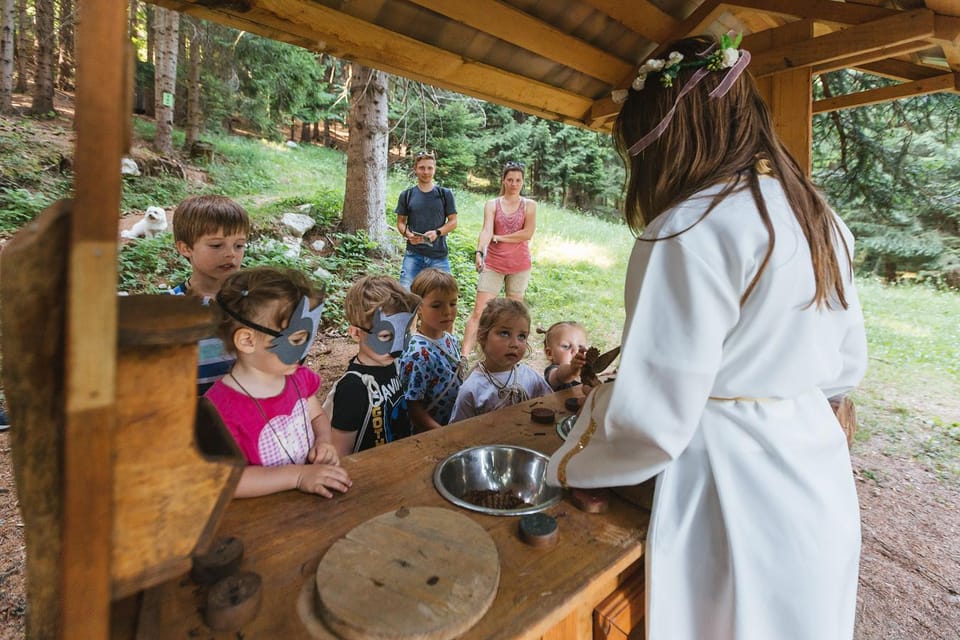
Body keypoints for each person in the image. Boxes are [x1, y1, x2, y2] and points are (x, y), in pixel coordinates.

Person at [546, 34, 867, 640]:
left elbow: (654, 418)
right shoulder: (823, 218)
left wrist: (574, 466)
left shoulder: (686, 229)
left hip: (731, 495)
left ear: (664, 137)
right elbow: (845, 368)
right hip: (816, 478)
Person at [204, 266, 352, 499]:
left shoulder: (297, 377)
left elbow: (316, 416)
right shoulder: (218, 410)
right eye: (296, 340)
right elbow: (223, 480)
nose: (305, 350)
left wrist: (324, 441)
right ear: (247, 340)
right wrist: (298, 476)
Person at [327, 275, 421, 455]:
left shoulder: (392, 364)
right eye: (385, 336)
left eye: (403, 334)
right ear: (356, 333)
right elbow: (340, 455)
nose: (397, 348)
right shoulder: (352, 389)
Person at [170, 194, 251, 393]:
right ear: (185, 248)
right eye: (216, 245)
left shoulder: (254, 300)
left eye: (239, 245)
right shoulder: (169, 309)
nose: (231, 253)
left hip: (248, 413)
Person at [461, 161, 537, 358]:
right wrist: (479, 252)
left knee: (515, 314)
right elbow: (487, 230)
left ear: (522, 182)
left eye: (518, 180)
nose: (514, 184)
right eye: (510, 180)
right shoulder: (492, 204)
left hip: (519, 265)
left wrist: (500, 237)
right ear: (503, 181)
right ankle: (463, 356)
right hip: (494, 262)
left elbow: (527, 233)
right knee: (480, 311)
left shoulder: (529, 205)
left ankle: (512, 355)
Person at [449, 298, 552, 422]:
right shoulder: (472, 389)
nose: (515, 344)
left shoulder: (531, 378)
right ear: (482, 336)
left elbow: (551, 405)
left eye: (521, 336)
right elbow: (458, 432)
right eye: (504, 333)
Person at [400, 268, 467, 431]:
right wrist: (440, 432)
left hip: (454, 424)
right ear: (418, 308)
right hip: (431, 434)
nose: (447, 311)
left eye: (453, 303)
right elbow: (412, 406)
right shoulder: (417, 354)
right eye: (436, 306)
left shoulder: (451, 340)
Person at [395, 150, 458, 289]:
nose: (426, 172)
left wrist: (437, 232)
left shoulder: (444, 194)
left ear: (434, 170)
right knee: (405, 297)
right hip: (413, 255)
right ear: (415, 170)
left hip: (439, 256)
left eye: (430, 168)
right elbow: (400, 222)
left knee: (444, 297)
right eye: (422, 168)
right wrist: (408, 234)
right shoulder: (407, 195)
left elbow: (453, 221)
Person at [539, 321, 589, 391]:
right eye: (566, 346)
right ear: (550, 353)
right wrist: (572, 369)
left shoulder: (584, 372)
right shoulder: (552, 371)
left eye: (580, 347)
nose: (575, 351)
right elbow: (559, 375)